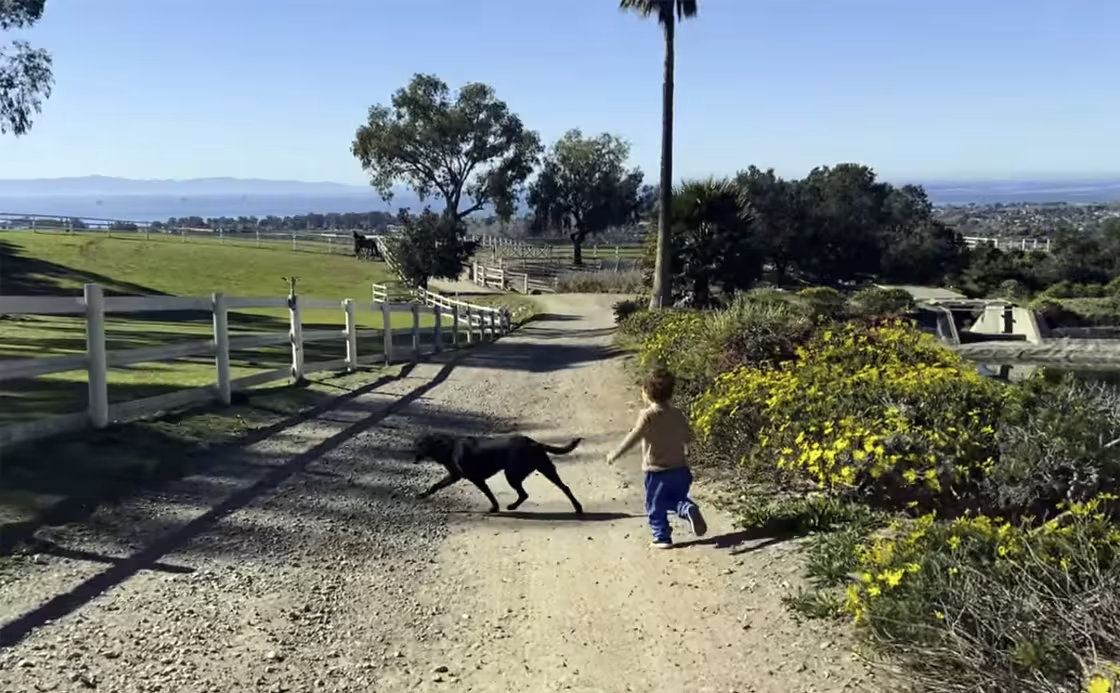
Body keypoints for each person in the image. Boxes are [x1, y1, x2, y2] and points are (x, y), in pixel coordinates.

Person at [605, 368, 707, 549]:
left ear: (646, 393)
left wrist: (616, 453)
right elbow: (690, 437)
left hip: (657, 471)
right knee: (675, 498)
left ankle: (662, 537)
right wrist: (686, 448)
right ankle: (687, 508)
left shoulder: (648, 416)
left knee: (655, 504)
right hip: (681, 469)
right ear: (671, 393)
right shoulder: (677, 414)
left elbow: (633, 437)